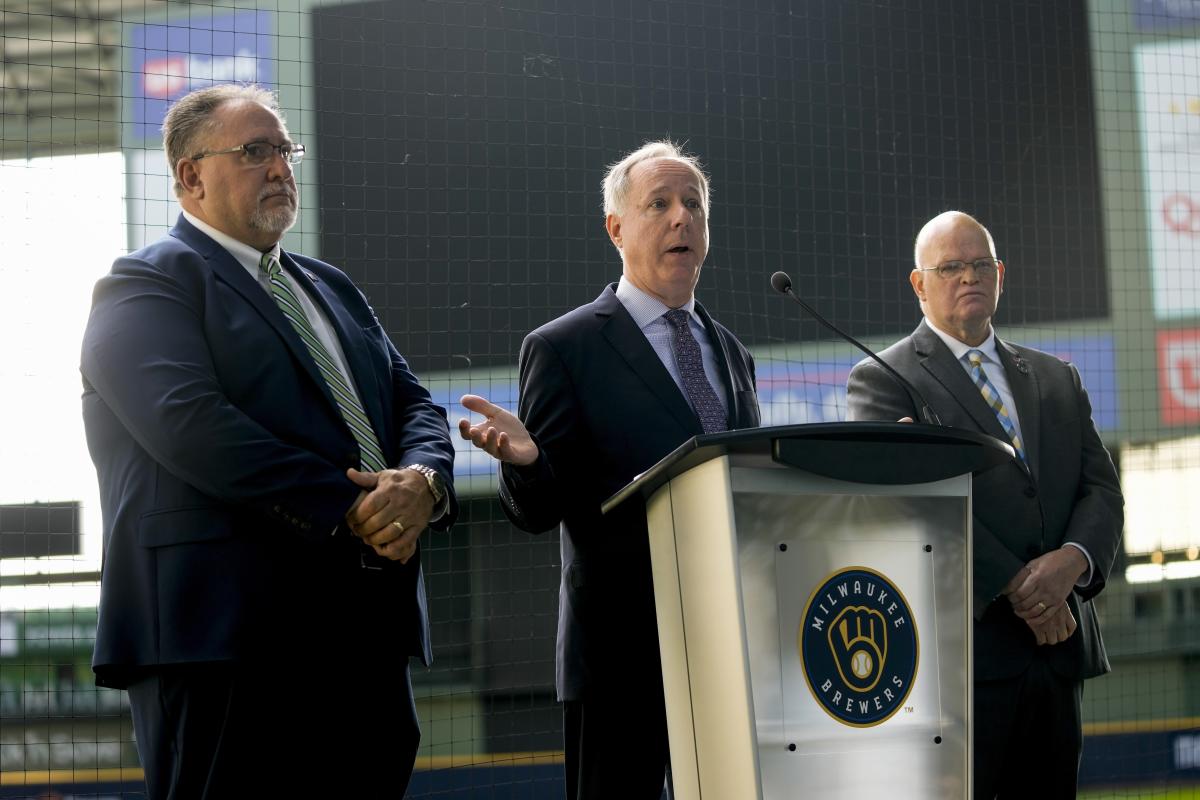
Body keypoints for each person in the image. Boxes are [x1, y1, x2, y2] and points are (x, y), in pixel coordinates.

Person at [80, 84, 457, 799]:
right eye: (256, 151)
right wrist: (353, 508)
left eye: (286, 150)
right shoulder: (142, 284)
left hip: (365, 640)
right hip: (224, 643)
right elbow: (188, 424)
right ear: (190, 176)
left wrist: (424, 482)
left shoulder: (331, 286)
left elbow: (412, 402)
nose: (281, 167)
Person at [459, 141, 760, 800]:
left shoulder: (731, 352)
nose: (682, 218)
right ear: (616, 228)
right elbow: (535, 512)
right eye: (660, 204)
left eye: (694, 205)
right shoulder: (564, 348)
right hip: (621, 665)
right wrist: (531, 462)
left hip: (731, 656)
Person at [846, 210, 1124, 799]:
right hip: (963, 660)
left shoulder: (1057, 378)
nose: (968, 276)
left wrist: (1070, 562)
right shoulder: (883, 381)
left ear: (999, 274)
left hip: (1058, 655)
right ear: (919, 285)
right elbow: (906, 508)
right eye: (950, 267)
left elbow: (1101, 488)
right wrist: (1025, 588)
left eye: (979, 265)